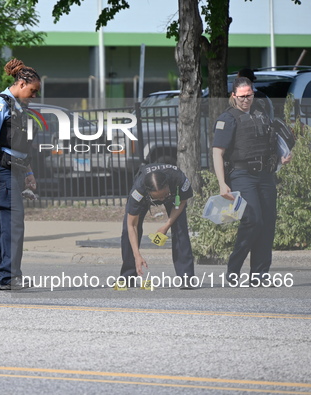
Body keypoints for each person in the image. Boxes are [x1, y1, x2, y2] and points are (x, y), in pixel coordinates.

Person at [212, 77, 292, 286]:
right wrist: (222, 183)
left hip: (265, 175)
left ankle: (259, 275)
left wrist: (282, 156)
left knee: (267, 224)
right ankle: (234, 267)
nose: (246, 99)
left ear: (253, 93)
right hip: (241, 175)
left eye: (249, 95)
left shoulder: (261, 114)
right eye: (242, 96)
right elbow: (217, 153)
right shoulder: (228, 119)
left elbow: (271, 141)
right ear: (233, 96)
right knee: (253, 219)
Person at [0, 58, 40, 291]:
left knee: (2, 225)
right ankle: (9, 277)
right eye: (32, 91)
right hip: (0, 171)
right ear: (22, 84)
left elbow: (19, 146)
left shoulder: (17, 107)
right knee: (13, 224)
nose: (34, 96)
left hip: (12, 169)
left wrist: (29, 172)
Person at [120, 163, 195, 288]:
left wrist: (166, 225)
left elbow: (182, 202)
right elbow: (131, 225)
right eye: (157, 198)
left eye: (164, 195)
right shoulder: (138, 191)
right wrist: (137, 255)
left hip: (175, 199)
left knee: (180, 228)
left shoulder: (179, 179)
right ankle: (127, 277)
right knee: (127, 231)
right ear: (148, 192)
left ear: (168, 186)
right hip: (145, 197)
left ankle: (186, 278)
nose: (161, 200)